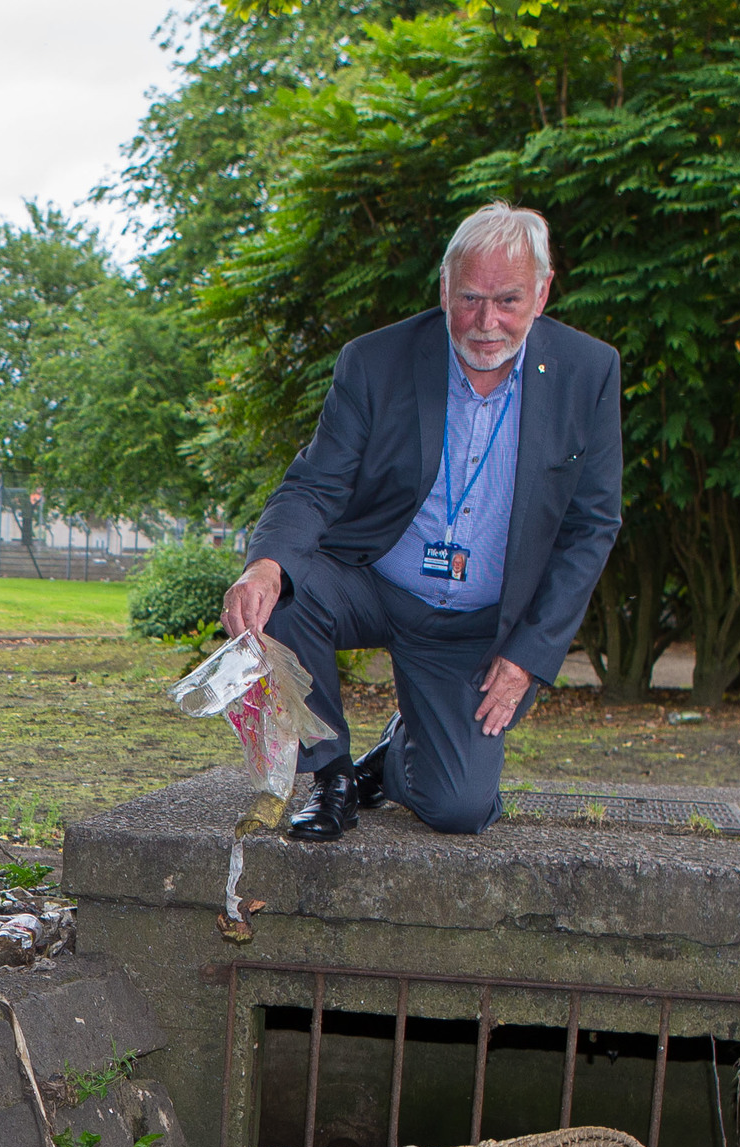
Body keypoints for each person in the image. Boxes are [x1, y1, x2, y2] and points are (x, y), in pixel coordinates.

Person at [222, 203, 622, 840]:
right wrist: (265, 567)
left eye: (508, 300)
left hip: (476, 625)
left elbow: (591, 526)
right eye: (468, 298)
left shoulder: (588, 373)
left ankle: (397, 755)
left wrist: (526, 657)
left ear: (543, 293)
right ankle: (332, 776)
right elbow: (316, 483)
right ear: (443, 286)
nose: (486, 323)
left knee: (460, 808)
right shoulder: (375, 361)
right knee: (288, 594)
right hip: (374, 583)